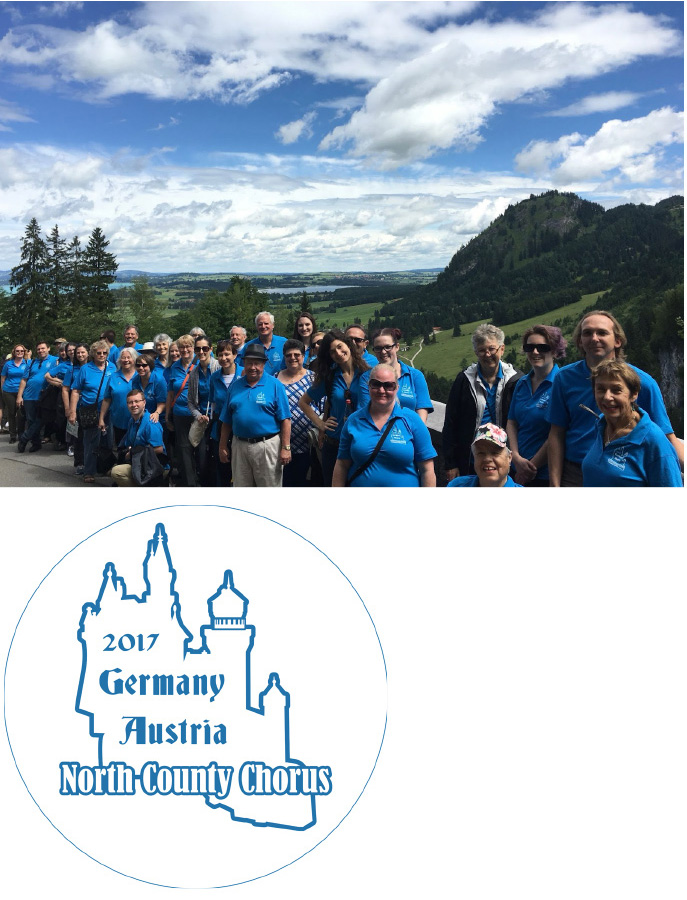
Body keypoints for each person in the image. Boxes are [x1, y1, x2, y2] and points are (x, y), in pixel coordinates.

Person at [547, 310, 682, 486]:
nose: (594, 338)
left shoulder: (643, 383)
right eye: (587, 333)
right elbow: (557, 433)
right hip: (575, 472)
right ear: (580, 341)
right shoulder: (564, 378)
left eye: (602, 332)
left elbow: (666, 438)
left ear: (617, 341)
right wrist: (554, 484)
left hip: (623, 472)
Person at [581, 360, 682, 487]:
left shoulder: (653, 441)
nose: (607, 397)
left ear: (634, 394)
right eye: (601, 389)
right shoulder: (602, 424)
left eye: (616, 390)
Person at [333, 364, 436, 487]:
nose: (382, 390)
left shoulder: (412, 420)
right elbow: (342, 464)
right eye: (376, 384)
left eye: (388, 385)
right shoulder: (353, 421)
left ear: (397, 388)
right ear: (369, 386)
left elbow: (427, 470)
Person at [442, 323, 522, 481]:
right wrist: (450, 463)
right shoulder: (464, 380)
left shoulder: (515, 380)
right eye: (481, 350)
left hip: (505, 459)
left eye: (492, 349)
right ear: (475, 352)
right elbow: (451, 422)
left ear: (502, 349)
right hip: (471, 459)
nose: (487, 354)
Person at [297, 329, 370, 486]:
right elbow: (303, 402)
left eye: (339, 346)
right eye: (332, 352)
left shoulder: (367, 374)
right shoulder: (329, 377)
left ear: (348, 344)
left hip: (361, 443)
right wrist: (321, 424)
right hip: (334, 445)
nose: (338, 353)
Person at [218, 343, 291, 487]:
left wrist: (286, 447)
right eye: (249, 363)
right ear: (243, 363)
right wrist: (222, 446)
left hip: (267, 446)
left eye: (257, 363)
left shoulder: (275, 385)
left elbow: (285, 419)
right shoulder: (235, 386)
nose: (252, 367)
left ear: (264, 364)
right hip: (239, 445)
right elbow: (226, 420)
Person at [506, 325, 567, 486]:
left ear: (555, 350)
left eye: (542, 347)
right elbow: (512, 422)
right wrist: (516, 457)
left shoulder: (562, 383)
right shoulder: (521, 383)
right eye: (529, 347)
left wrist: (530, 467)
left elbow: (558, 431)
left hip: (544, 473)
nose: (535, 352)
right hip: (515, 467)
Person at [360, 327, 433, 422]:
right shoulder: (366, 378)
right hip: (379, 433)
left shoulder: (415, 376)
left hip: (410, 433)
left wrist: (416, 432)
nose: (383, 352)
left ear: (397, 347)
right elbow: (366, 411)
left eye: (387, 347)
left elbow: (422, 410)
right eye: (378, 348)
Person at [68, 340, 116, 483]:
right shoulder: (85, 369)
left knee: (108, 441)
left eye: (104, 353)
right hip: (90, 410)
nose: (102, 355)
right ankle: (89, 471)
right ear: (93, 354)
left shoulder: (112, 367)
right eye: (98, 353)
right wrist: (72, 411)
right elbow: (75, 390)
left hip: (109, 411)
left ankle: (105, 466)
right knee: (90, 441)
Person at [277, 339, 316, 487]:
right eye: (288, 355)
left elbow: (322, 406)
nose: (292, 358)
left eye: (297, 354)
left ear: (304, 356)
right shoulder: (275, 378)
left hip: (309, 444)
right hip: (282, 444)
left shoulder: (313, 378)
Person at [110, 389, 167, 487]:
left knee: (117, 472)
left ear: (144, 402)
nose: (133, 405)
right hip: (138, 462)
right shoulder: (131, 421)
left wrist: (133, 453)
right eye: (130, 402)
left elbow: (159, 449)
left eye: (137, 401)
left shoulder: (151, 422)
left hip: (153, 466)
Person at [208, 339, 242, 486]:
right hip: (221, 429)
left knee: (242, 471)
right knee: (223, 470)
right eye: (220, 355)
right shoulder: (214, 378)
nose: (223, 358)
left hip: (242, 429)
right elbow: (213, 404)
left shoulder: (245, 373)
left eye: (227, 354)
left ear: (235, 355)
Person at [188, 334, 221, 485]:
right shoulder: (193, 373)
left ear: (210, 349)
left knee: (217, 457)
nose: (201, 352)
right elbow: (191, 402)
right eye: (198, 349)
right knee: (201, 459)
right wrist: (198, 415)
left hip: (218, 420)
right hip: (202, 421)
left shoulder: (218, 367)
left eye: (204, 348)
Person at [16, 340, 58, 453]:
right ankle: (36, 443)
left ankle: (24, 438)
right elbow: (24, 380)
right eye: (39, 349)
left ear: (48, 349)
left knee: (41, 420)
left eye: (43, 348)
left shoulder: (55, 360)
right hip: (29, 395)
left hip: (44, 396)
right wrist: (20, 396)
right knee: (31, 420)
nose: (40, 351)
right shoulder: (32, 362)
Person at [165, 334, 197, 486]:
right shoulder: (174, 368)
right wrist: (167, 416)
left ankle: (201, 479)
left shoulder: (200, 364)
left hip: (198, 415)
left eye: (188, 346)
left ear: (193, 348)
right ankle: (189, 485)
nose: (185, 350)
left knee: (200, 452)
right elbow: (170, 393)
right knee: (183, 451)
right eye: (182, 347)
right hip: (179, 414)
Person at [448, 424, 522, 487]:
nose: (487, 459)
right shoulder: (456, 485)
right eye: (481, 453)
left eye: (495, 453)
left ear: (509, 457)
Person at [99, 347, 138, 447]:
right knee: (121, 450)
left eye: (129, 357)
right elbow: (107, 399)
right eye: (123, 358)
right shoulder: (113, 377)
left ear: (134, 359)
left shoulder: (140, 375)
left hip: (138, 422)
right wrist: (101, 418)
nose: (126, 360)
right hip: (118, 422)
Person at [243, 311, 287, 376]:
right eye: (260, 324)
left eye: (266, 323)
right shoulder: (249, 346)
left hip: (280, 383)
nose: (263, 326)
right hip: (257, 384)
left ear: (273, 325)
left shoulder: (284, 343)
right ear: (256, 326)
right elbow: (243, 369)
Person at [1, 344, 30, 444]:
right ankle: (12, 435)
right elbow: (3, 378)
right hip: (8, 391)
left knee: (21, 413)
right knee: (11, 413)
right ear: (14, 352)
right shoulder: (8, 364)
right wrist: (2, 390)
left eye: (22, 351)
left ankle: (21, 433)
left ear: (24, 352)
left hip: (22, 391)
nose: (20, 353)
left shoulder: (27, 363)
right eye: (17, 351)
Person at [131, 353, 166, 423]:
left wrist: (156, 413)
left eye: (144, 365)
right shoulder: (135, 380)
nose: (141, 368)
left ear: (150, 366)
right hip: (141, 418)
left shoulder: (159, 380)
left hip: (158, 418)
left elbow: (162, 402)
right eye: (138, 365)